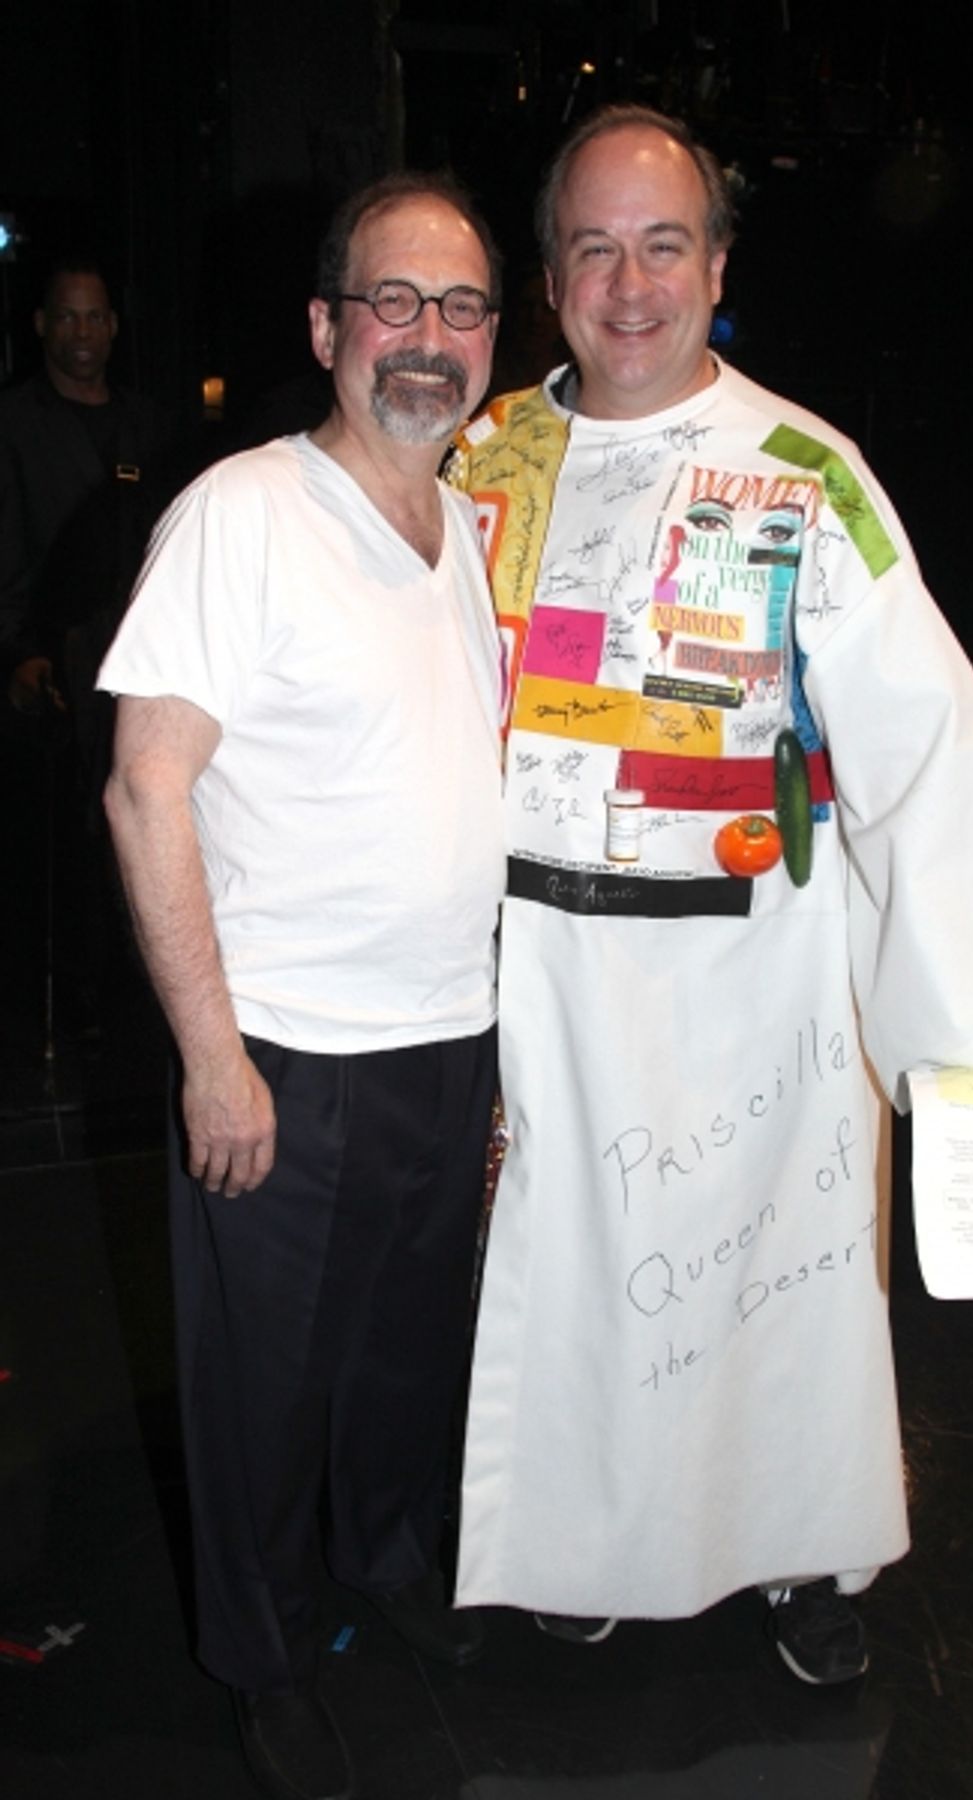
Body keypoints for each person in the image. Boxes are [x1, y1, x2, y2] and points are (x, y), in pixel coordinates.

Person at [448, 106, 973, 1685]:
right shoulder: (481, 464)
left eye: (663, 244)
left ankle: (805, 1560)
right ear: (551, 276)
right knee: (569, 1284)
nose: (631, 285)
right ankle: (578, 1549)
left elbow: (923, 733)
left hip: (762, 979)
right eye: (595, 249)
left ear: (719, 262)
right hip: (538, 964)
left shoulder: (806, 470)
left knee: (786, 1293)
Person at [99, 172, 505, 1800]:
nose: (428, 337)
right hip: (287, 1056)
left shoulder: (464, 529)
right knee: (262, 1397)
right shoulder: (243, 514)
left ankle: (391, 1571)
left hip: (442, 1044)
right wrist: (212, 1057)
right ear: (329, 325)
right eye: (393, 302)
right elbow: (147, 786)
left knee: (409, 1363)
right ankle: (262, 1662)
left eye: (462, 306)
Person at [0, 260, 175, 1026]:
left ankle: (126, 997)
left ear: (113, 326)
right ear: (41, 325)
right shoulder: (13, 423)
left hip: (134, 663)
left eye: (94, 317)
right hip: (46, 664)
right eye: (65, 317)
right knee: (57, 847)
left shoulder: (149, 422)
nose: (81, 333)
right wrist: (16, 654)